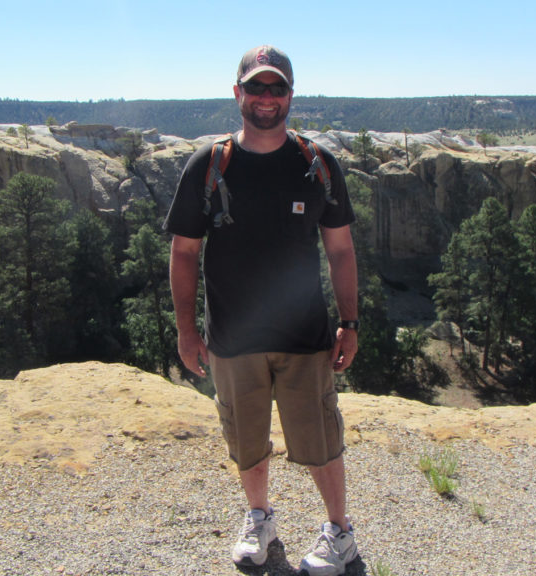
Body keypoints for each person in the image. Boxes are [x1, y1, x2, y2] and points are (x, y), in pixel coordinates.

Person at [164, 45, 360, 575]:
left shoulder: (316, 163)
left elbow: (341, 249)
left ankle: (340, 532)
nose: (266, 98)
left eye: (276, 88)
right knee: (246, 440)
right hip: (232, 338)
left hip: (305, 337)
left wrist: (349, 322)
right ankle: (259, 517)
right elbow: (184, 252)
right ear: (238, 94)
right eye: (257, 88)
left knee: (319, 439)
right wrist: (186, 332)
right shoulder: (209, 165)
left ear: (290, 95)